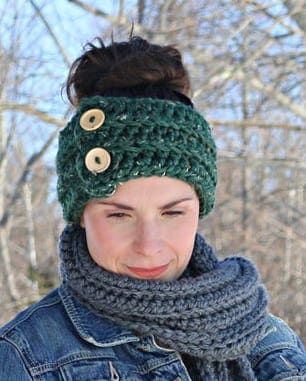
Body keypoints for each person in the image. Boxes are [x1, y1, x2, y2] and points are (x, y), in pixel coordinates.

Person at [0, 35, 305, 381]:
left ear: (199, 208)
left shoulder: (272, 342)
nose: (149, 246)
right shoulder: (26, 358)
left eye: (173, 212)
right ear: (81, 215)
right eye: (118, 215)